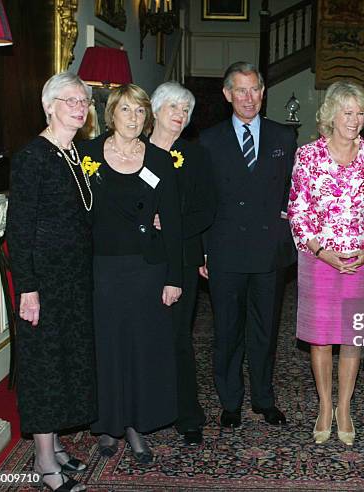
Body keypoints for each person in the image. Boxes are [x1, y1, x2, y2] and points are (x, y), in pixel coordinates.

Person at [78, 84, 183, 463]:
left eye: (140, 112)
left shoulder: (158, 160)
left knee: (141, 349)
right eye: (126, 110)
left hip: (146, 269)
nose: (134, 119)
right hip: (101, 267)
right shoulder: (87, 155)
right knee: (107, 348)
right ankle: (108, 424)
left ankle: (136, 426)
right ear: (111, 115)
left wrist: (175, 278)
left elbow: (172, 221)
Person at [7, 72, 96, 492]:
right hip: (42, 280)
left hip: (72, 280)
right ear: (48, 106)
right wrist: (28, 288)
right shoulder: (32, 157)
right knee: (43, 366)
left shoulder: (72, 153)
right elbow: (20, 229)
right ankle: (44, 462)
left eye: (83, 101)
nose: (79, 107)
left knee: (64, 361)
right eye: (69, 100)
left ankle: (56, 444)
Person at [288, 81, 364, 445]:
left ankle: (344, 408)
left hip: (361, 259)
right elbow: (298, 210)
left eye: (361, 113)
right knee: (321, 338)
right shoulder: (308, 155)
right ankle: (324, 406)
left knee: (351, 339)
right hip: (319, 259)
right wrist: (320, 251)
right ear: (331, 114)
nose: (355, 120)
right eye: (347, 112)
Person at [199, 61, 297, 428]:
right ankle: (230, 402)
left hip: (269, 253)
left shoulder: (283, 137)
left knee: (265, 331)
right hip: (225, 252)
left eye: (254, 89)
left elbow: (296, 190)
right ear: (227, 95)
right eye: (240, 90)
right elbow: (203, 201)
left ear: (263, 92)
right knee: (226, 331)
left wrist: (290, 228)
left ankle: (264, 399)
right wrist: (203, 251)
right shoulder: (209, 140)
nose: (248, 97)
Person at [149, 81, 214, 446]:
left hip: (183, 258)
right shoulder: (132, 151)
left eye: (185, 110)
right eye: (173, 106)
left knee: (178, 338)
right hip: (138, 260)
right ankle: (143, 409)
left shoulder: (196, 155)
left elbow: (207, 208)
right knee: (142, 337)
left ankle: (188, 414)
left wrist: (174, 225)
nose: (179, 114)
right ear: (155, 110)